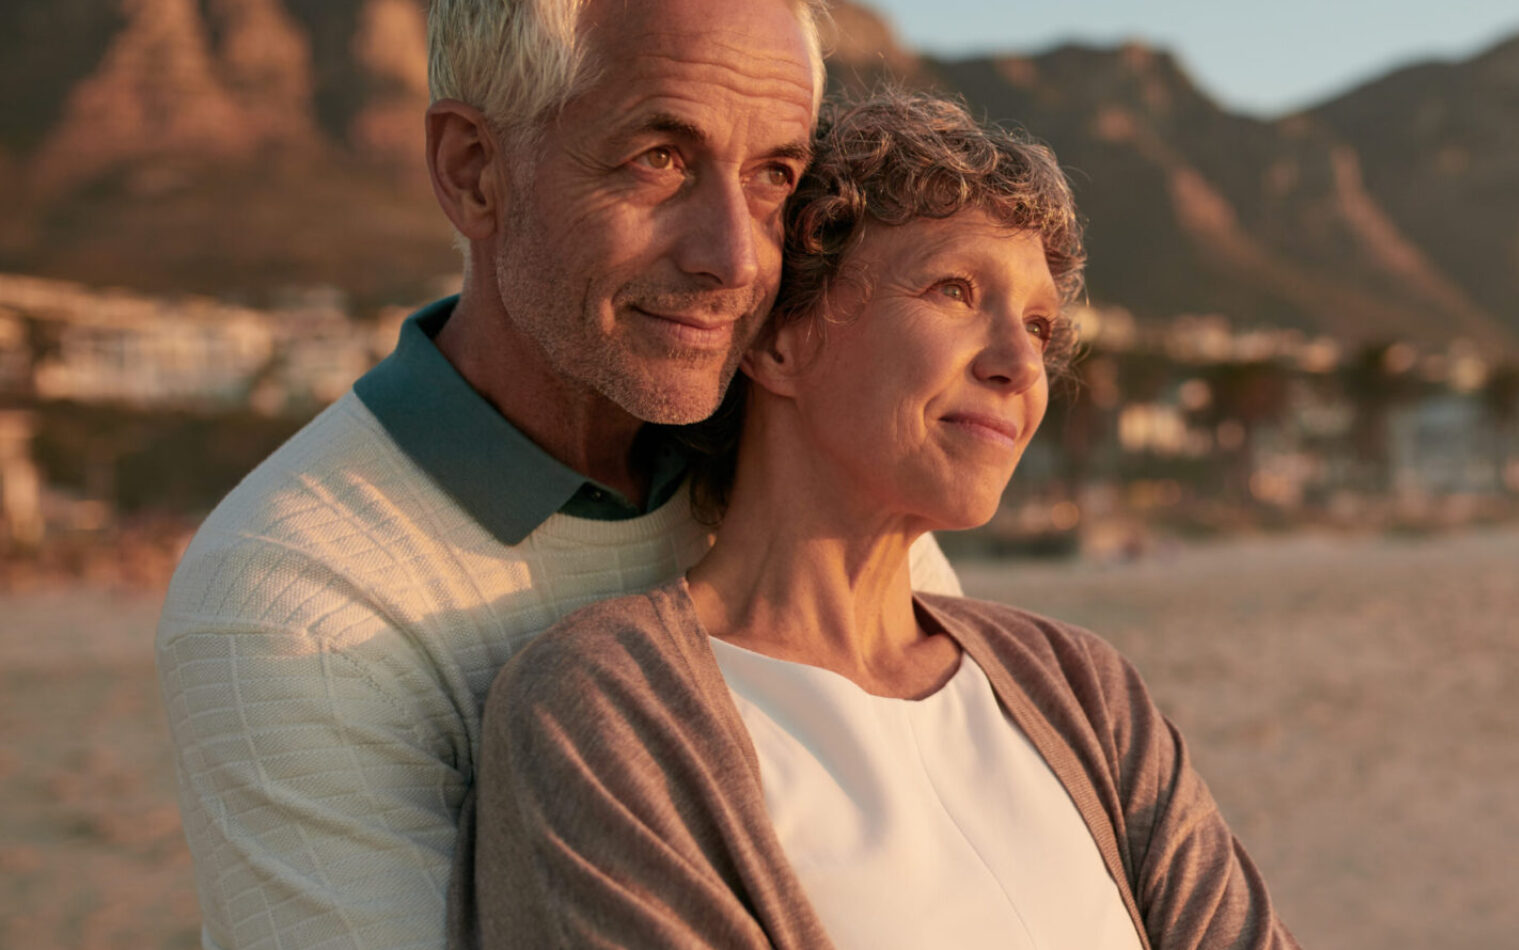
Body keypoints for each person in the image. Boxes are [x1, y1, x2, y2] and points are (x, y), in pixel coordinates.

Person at [155, 1, 960, 946]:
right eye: (658, 158)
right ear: (474, 171)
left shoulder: (804, 469)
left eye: (773, 175)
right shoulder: (296, 598)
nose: (733, 258)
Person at [458, 92, 1299, 949]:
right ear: (777, 339)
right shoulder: (605, 710)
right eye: (956, 290)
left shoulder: (1083, 689)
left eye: (1040, 326)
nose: (1020, 364)